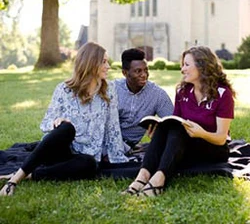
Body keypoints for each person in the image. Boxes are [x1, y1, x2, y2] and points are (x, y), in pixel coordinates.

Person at [0, 42, 128, 196]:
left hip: (83, 157)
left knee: (90, 164)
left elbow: (113, 127)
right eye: (104, 62)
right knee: (67, 128)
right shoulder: (64, 89)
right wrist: (57, 121)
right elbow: (46, 123)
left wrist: (118, 156)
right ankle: (15, 179)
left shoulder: (109, 90)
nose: (108, 66)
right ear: (90, 63)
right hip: (60, 150)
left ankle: (33, 175)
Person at [123, 46, 235, 197]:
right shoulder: (182, 91)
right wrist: (158, 135)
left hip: (214, 147)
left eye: (187, 65)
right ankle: (142, 177)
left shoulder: (222, 93)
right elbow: (174, 123)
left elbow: (221, 138)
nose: (182, 69)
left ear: (202, 65)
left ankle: (158, 181)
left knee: (179, 129)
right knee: (167, 126)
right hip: (188, 144)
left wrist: (201, 133)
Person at [115, 48, 174, 149]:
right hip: (108, 143)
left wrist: (159, 135)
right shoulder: (113, 90)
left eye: (146, 70)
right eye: (138, 71)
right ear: (124, 73)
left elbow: (173, 123)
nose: (144, 75)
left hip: (132, 146)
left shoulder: (157, 94)